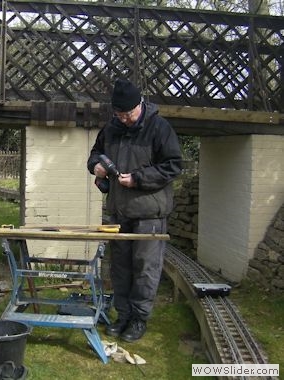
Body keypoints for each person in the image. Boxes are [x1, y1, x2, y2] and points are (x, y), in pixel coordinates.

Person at [87, 78, 182, 342]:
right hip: (119, 212)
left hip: (149, 214)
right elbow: (95, 154)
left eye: (128, 114)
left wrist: (138, 179)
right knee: (120, 268)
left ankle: (139, 319)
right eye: (119, 114)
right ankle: (123, 316)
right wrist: (96, 166)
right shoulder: (111, 128)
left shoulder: (159, 128)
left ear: (139, 105)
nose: (125, 119)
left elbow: (173, 166)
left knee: (145, 268)